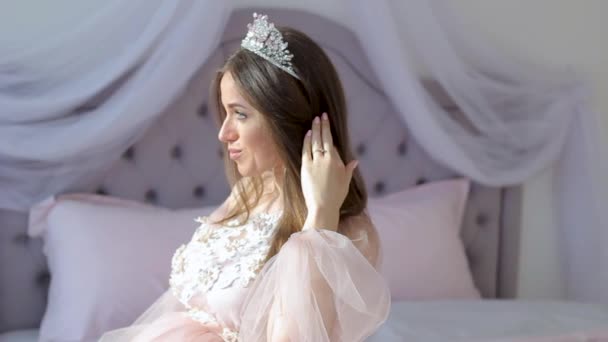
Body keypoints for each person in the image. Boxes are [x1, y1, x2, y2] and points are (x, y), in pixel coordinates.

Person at [100, 13, 390, 342]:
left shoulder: (349, 233)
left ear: (289, 119)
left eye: (240, 114)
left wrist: (321, 217)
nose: (224, 133)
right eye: (225, 113)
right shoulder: (248, 194)